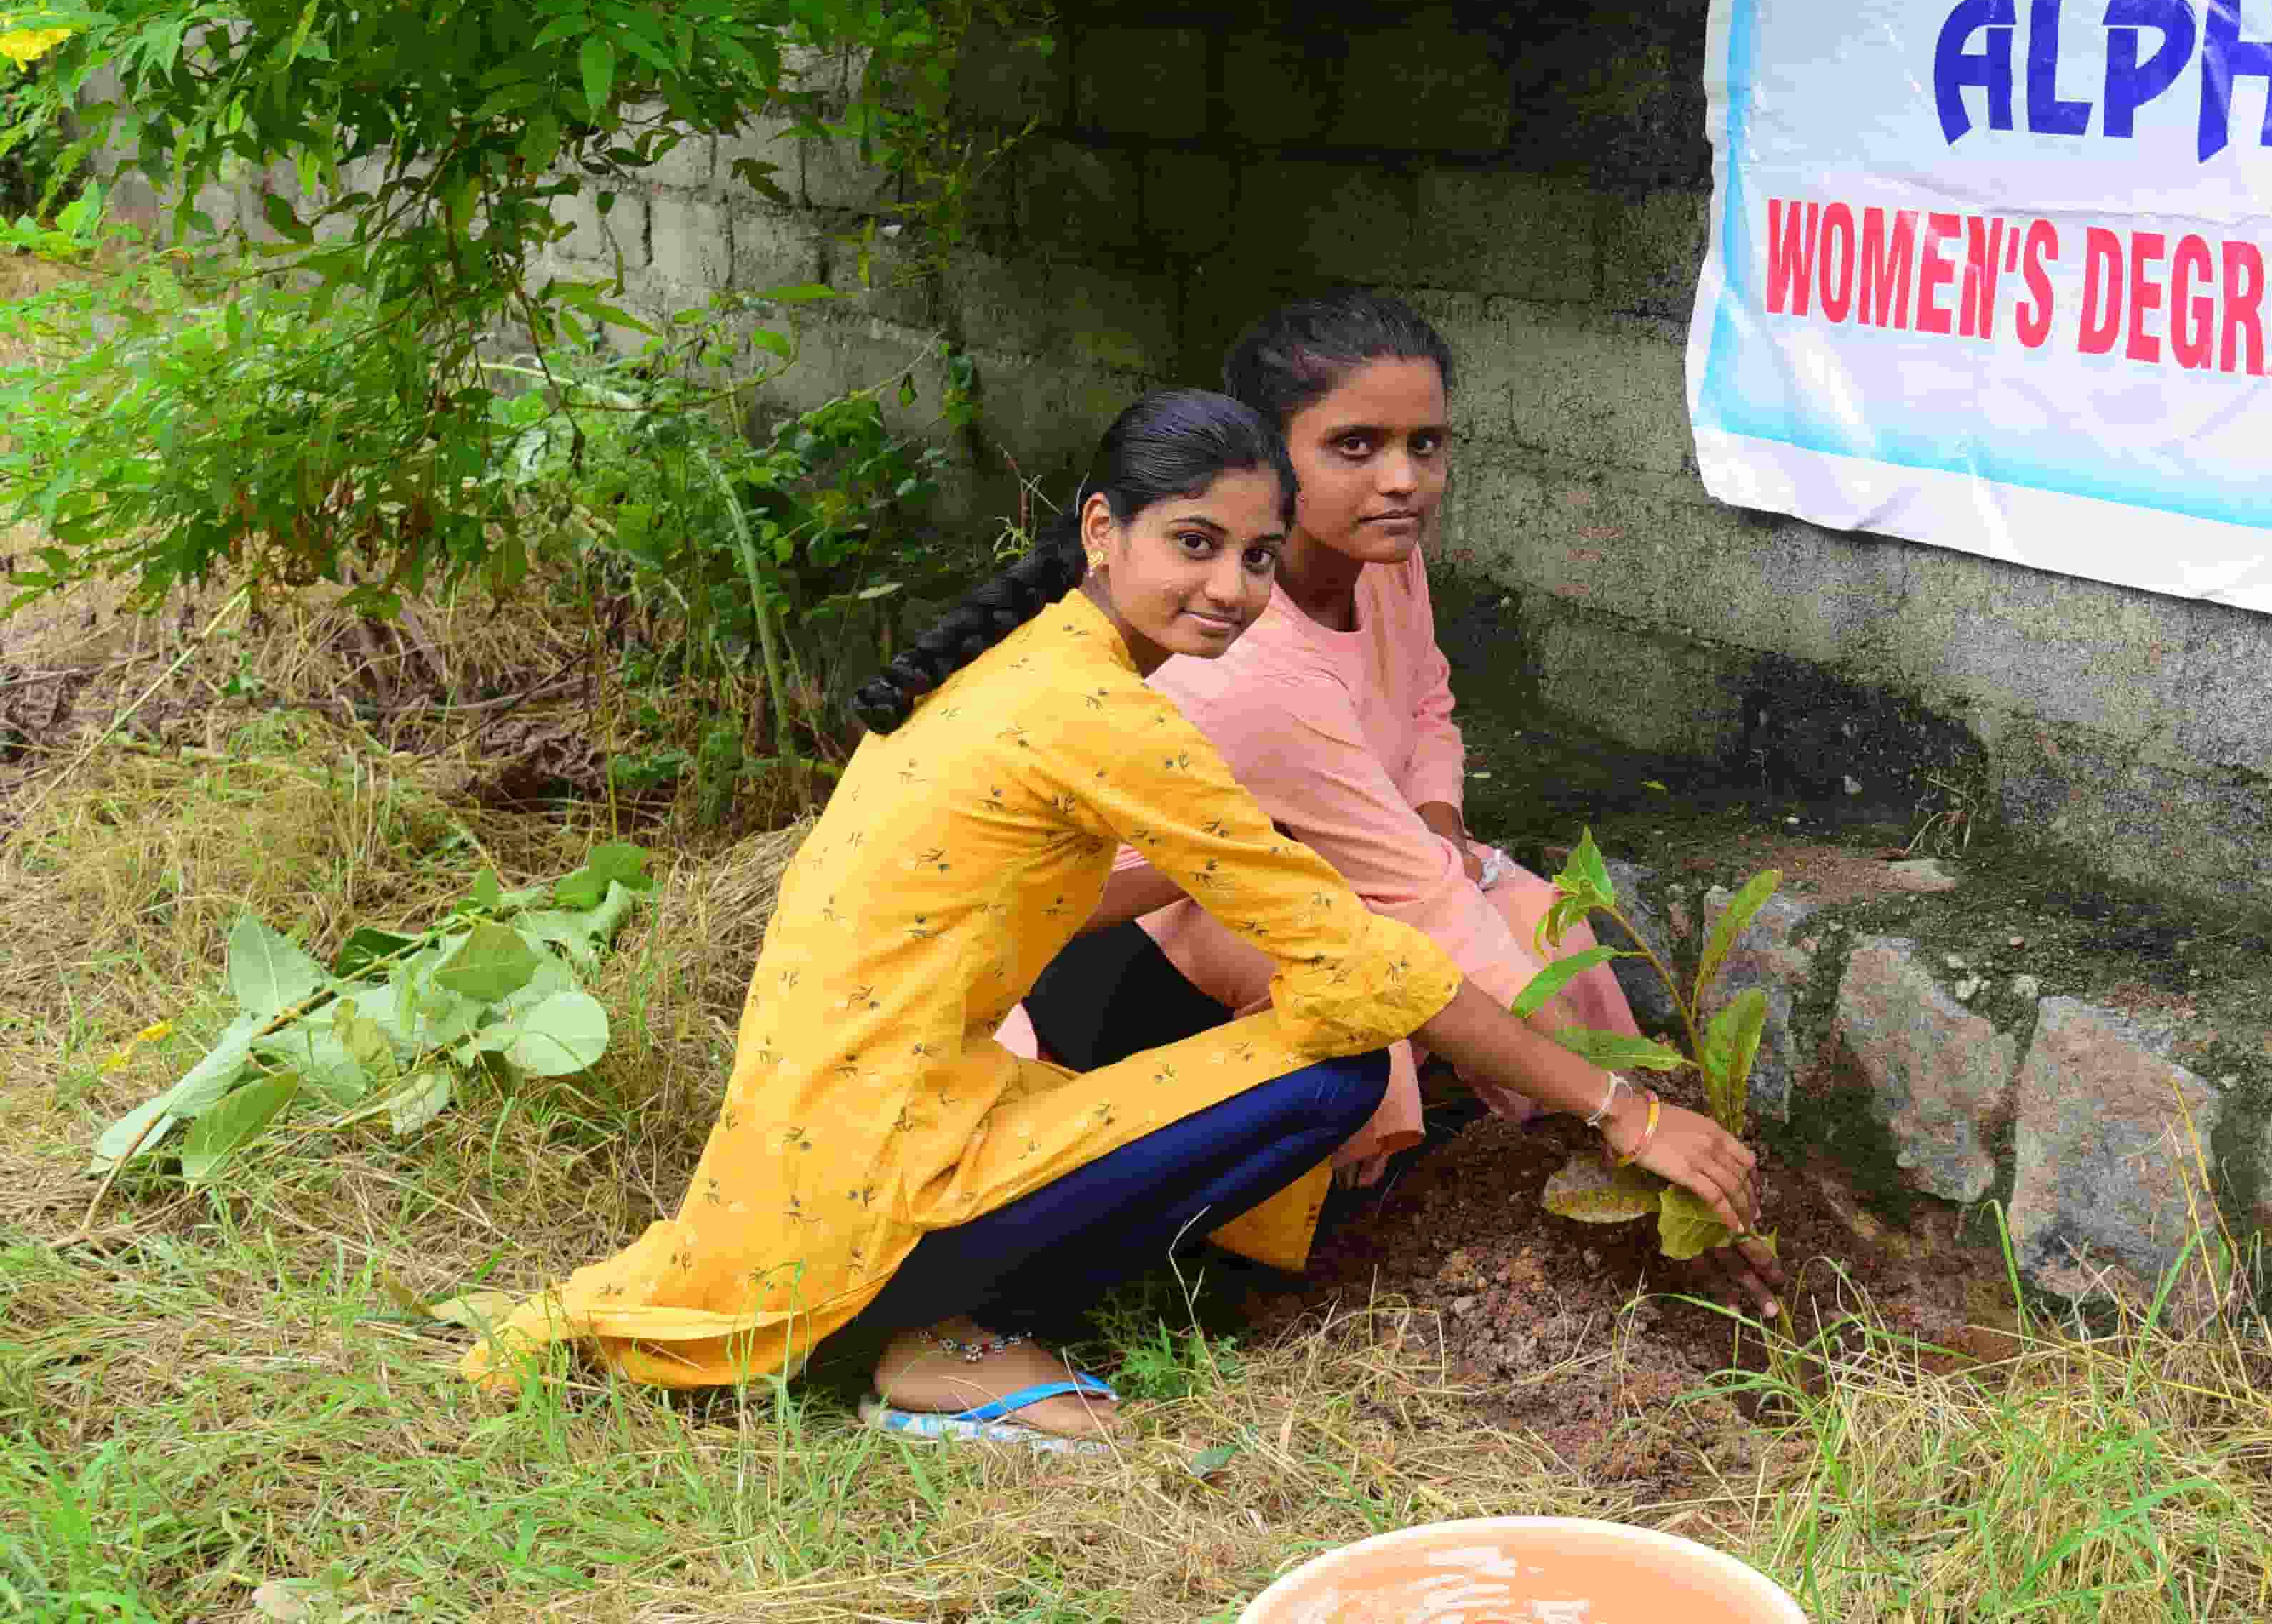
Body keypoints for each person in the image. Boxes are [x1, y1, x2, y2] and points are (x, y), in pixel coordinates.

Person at [462, 392, 1778, 1450]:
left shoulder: (1029, 659)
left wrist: (1241, 863)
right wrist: (1623, 1108)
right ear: (1104, 529)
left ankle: (955, 1291)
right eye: (1194, 544)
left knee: (1254, 1013)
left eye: (1258, 556)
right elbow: (1372, 962)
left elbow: (1048, 892)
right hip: (883, 1149)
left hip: (833, 1115)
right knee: (1332, 1068)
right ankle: (952, 1336)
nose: (1233, 586)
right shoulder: (1103, 712)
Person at [998, 291, 1637, 1192]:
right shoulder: (1250, 656)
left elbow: (1428, 699)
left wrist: (1439, 821)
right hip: (1158, 924)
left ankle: (1534, 1123)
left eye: (1426, 443)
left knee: (1543, 921)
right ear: (1268, 460)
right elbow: (1421, 901)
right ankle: (1351, 1200)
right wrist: (1621, 1106)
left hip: (1335, 850)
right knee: (1369, 993)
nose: (1402, 479)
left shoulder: (1385, 559)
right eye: (1356, 445)